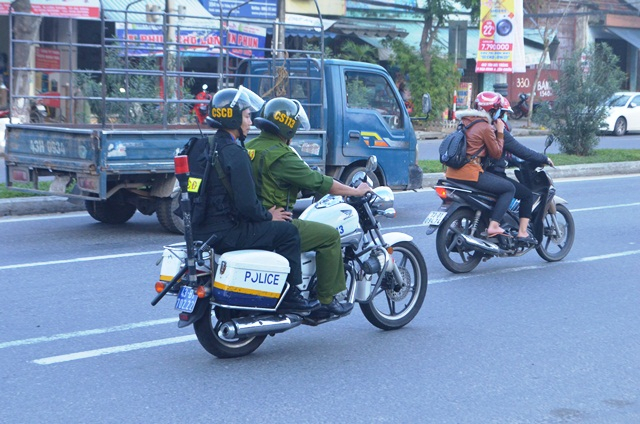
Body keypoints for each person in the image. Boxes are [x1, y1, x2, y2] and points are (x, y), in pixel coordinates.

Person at [191, 87, 318, 311]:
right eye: (247, 116)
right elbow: (247, 204)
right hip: (226, 234)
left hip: (198, 230)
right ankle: (291, 295)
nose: (250, 122)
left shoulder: (201, 146)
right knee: (288, 233)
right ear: (233, 118)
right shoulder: (235, 154)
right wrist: (268, 215)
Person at [246, 97, 373, 316]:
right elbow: (319, 182)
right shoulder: (281, 155)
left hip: (254, 218)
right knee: (329, 235)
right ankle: (326, 300)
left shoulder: (250, 147)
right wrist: (356, 191)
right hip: (277, 221)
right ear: (288, 126)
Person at [485, 96, 555, 245]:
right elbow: (521, 151)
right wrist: (543, 158)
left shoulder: (481, 128)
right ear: (495, 111)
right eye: (503, 113)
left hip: (483, 173)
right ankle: (522, 233)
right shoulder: (498, 130)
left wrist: (511, 161)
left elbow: (500, 155)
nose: (505, 116)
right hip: (494, 175)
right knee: (526, 195)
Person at [445, 91, 514, 237]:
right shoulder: (485, 127)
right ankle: (494, 225)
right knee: (509, 188)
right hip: (470, 173)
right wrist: (500, 132)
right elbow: (496, 153)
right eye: (500, 112)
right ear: (493, 111)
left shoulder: (464, 122)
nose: (502, 117)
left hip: (451, 173)